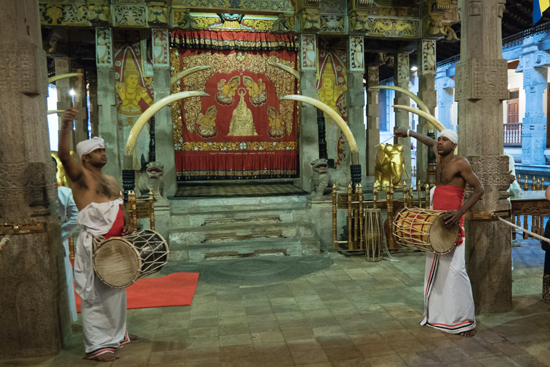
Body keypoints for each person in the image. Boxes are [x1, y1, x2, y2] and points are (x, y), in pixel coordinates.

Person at [58, 108, 138, 362]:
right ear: (84, 157)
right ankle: (97, 347)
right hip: (95, 243)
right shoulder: (81, 178)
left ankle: (118, 334)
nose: (103, 153)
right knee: (94, 294)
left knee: (116, 289)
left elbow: (119, 206)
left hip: (116, 244)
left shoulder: (111, 180)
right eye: (97, 151)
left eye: (103, 150)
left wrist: (128, 224)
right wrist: (66, 125)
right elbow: (62, 154)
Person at [395, 127, 485, 337]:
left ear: (454, 145)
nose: (440, 142)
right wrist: (408, 132)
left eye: (445, 140)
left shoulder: (460, 163)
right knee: (436, 271)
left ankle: (465, 321)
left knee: (456, 271)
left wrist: (460, 211)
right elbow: (427, 140)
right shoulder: (438, 154)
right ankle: (439, 317)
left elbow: (479, 189)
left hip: (453, 222)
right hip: (436, 221)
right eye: (440, 139)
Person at [53, 157, 80, 323]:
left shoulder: (64, 192)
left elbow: (76, 216)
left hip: (59, 239)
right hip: (57, 237)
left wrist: (60, 233)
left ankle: (69, 318)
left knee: (66, 277)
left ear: (56, 171)